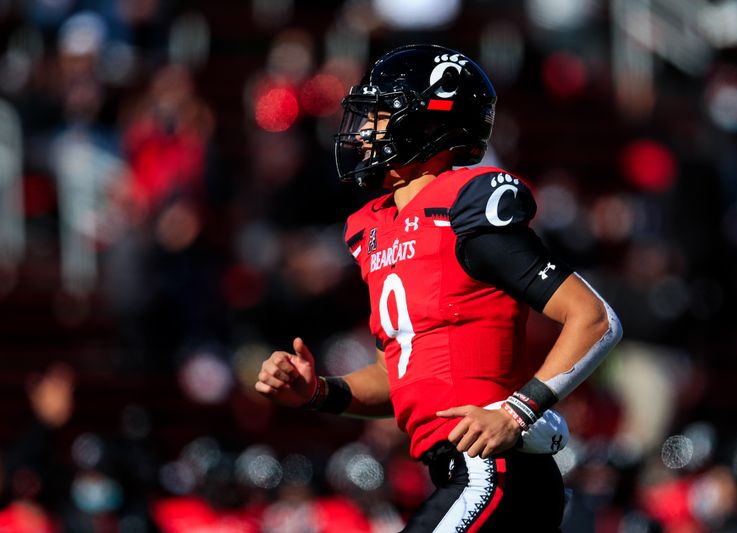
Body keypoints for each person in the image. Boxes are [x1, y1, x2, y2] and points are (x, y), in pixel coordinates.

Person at [256, 44, 622, 532]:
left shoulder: (464, 207)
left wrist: (516, 411)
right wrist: (318, 391)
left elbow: (594, 318)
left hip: (493, 471)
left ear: (426, 123)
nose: (364, 132)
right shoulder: (377, 229)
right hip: (462, 471)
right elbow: (401, 376)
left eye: (381, 116)